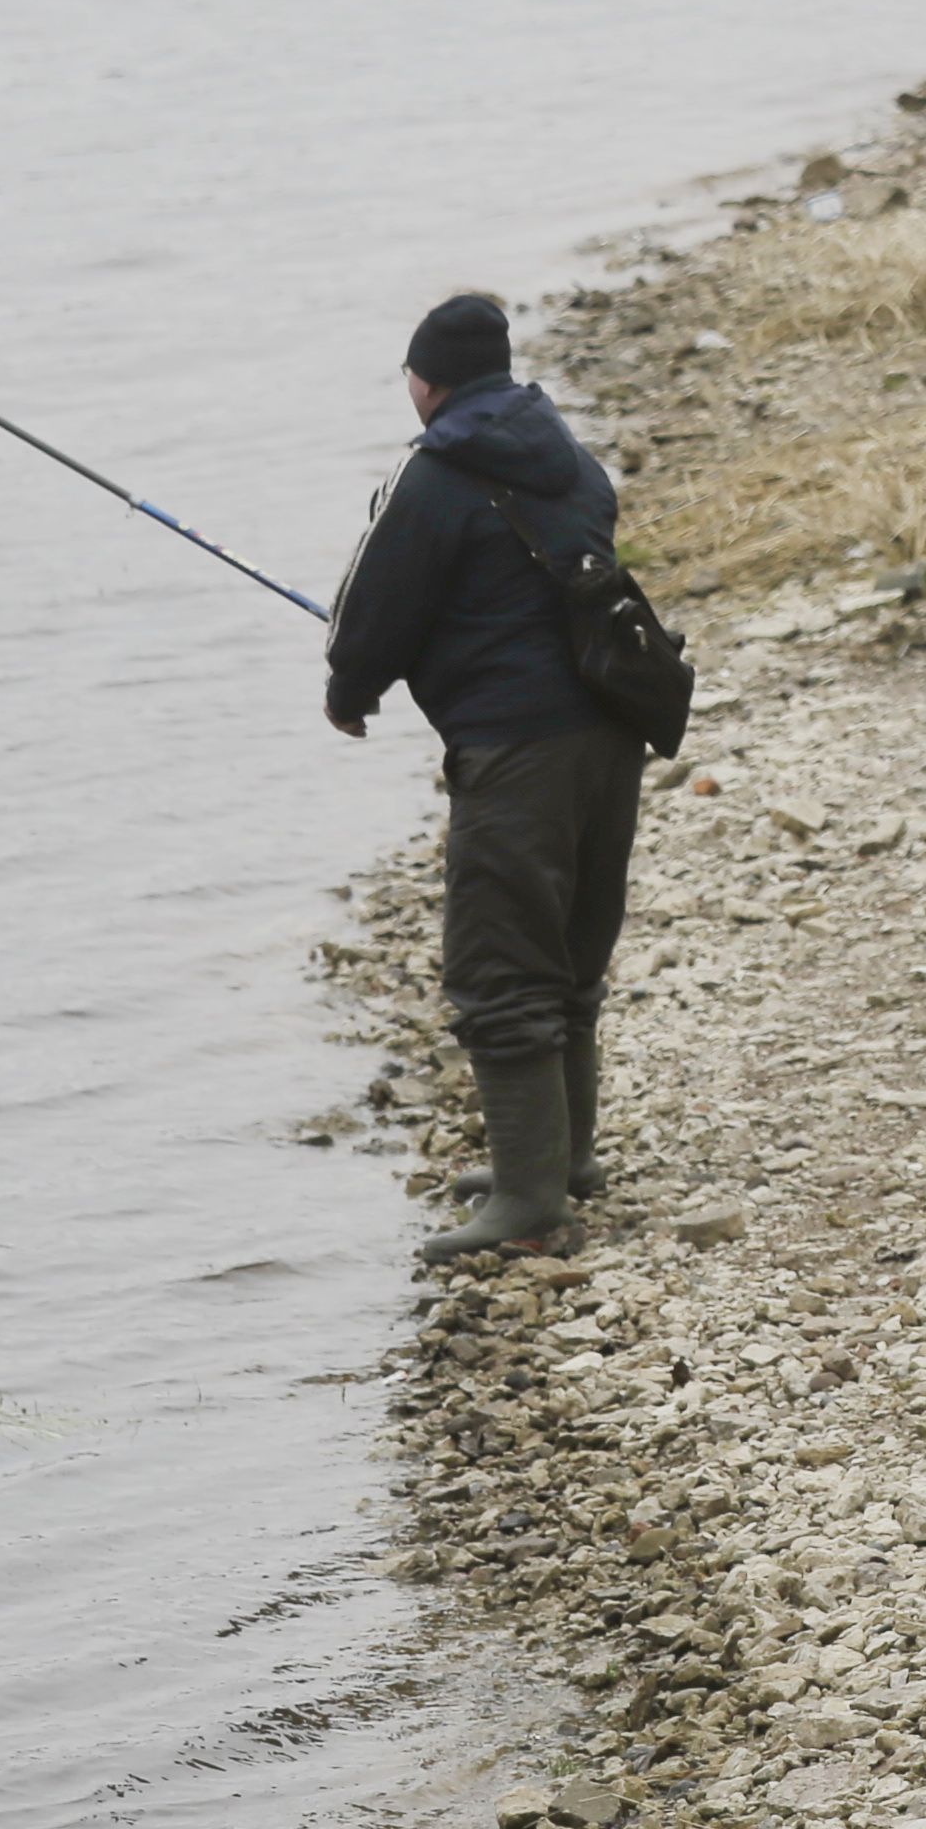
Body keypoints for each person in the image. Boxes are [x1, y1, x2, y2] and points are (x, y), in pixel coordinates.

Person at [323, 291, 639, 1264]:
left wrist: (351, 690)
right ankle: (563, 1162)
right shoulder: (566, 457)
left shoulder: (436, 476)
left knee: (501, 970)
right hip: (610, 733)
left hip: (518, 754)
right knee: (571, 955)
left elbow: (371, 613)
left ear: (428, 382)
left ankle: (531, 1206)